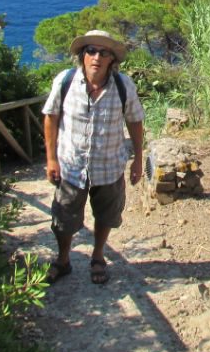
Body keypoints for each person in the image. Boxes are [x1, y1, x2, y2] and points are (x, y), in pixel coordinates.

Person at [41, 30, 145, 285]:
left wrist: (139, 159)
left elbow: (135, 122)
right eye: (91, 51)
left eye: (103, 52)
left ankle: (98, 256)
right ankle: (63, 259)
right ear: (82, 55)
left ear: (112, 59)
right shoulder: (64, 81)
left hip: (109, 166)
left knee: (106, 215)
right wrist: (51, 159)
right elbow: (51, 117)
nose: (96, 57)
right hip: (71, 166)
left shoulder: (124, 86)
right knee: (63, 218)